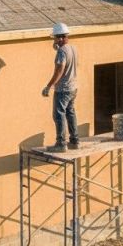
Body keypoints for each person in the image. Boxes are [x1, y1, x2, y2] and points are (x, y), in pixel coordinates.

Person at [41, 22, 79, 152]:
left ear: (60, 37)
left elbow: (60, 70)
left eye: (55, 38)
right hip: (73, 88)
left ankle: (61, 144)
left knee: (59, 115)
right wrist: (58, 49)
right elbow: (69, 62)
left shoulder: (62, 51)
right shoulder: (72, 48)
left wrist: (49, 86)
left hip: (63, 89)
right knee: (70, 113)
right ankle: (74, 141)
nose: (54, 40)